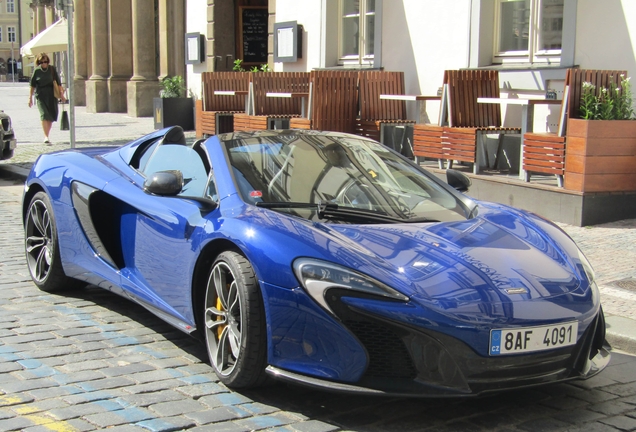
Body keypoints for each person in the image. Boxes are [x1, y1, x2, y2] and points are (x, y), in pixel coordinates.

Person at [28, 53, 66, 145]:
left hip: (51, 95)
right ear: (39, 62)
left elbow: (59, 83)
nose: (44, 63)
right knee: (44, 115)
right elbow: (32, 85)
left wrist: (62, 95)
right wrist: (30, 98)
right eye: (41, 62)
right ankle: (46, 136)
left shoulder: (52, 69)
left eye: (45, 61)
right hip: (41, 95)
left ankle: (47, 134)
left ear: (48, 61)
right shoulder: (37, 71)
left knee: (50, 116)